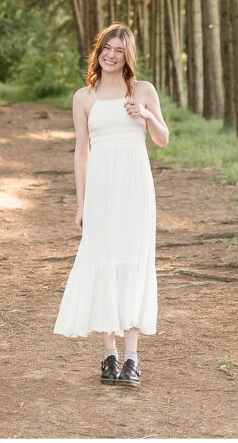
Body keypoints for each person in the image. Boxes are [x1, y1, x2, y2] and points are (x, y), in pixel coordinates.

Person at [53, 22, 169, 388]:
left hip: (135, 188)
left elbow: (163, 139)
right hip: (101, 190)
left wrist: (147, 116)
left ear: (127, 56)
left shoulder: (144, 91)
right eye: (107, 47)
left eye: (119, 50)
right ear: (98, 51)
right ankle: (108, 354)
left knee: (134, 264)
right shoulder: (83, 97)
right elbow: (81, 151)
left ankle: (132, 357)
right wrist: (81, 202)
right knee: (102, 261)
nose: (111, 54)